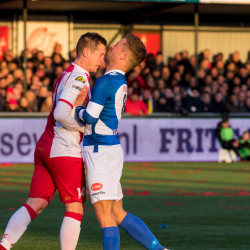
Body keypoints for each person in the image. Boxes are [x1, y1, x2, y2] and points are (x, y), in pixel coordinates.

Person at [0, 32, 107, 250]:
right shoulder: (79, 77)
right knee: (75, 208)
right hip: (64, 149)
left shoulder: (66, 74)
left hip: (47, 146)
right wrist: (85, 127)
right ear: (86, 52)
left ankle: (4, 245)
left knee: (35, 203)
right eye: (100, 54)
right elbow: (60, 113)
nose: (102, 60)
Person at [76, 34, 169, 250]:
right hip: (110, 150)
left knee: (105, 216)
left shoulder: (106, 80)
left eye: (117, 45)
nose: (112, 46)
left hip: (101, 152)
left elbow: (89, 117)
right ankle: (159, 248)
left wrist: (77, 106)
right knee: (117, 213)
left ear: (123, 54)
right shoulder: (118, 80)